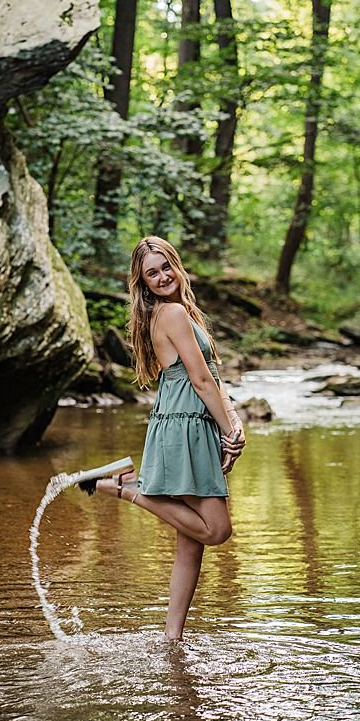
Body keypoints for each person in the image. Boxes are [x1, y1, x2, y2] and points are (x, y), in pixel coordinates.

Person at [79, 235, 246, 641]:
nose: (162, 276)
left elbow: (214, 376)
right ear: (144, 284)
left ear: (176, 264)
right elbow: (200, 379)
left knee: (191, 543)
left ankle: (172, 638)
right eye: (151, 274)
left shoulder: (182, 311)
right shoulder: (170, 313)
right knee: (217, 530)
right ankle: (127, 489)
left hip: (186, 424)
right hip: (185, 427)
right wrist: (230, 433)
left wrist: (234, 419)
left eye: (165, 266)